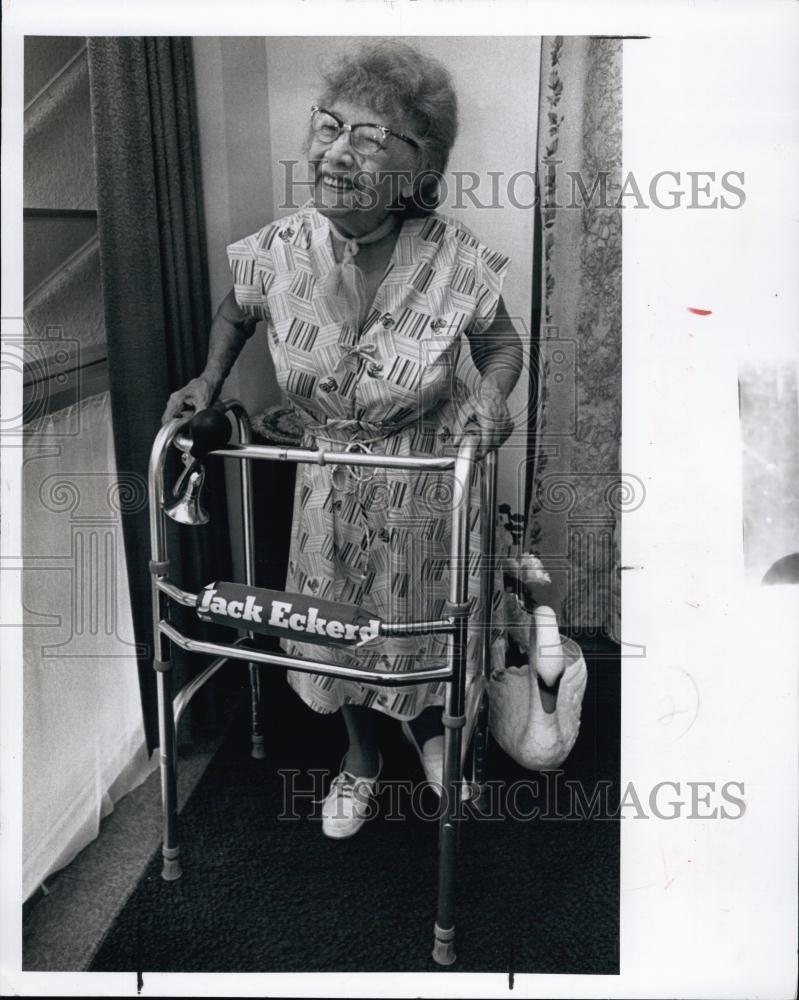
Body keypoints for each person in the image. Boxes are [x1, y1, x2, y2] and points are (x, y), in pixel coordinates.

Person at [162, 40, 531, 839]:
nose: (334, 151)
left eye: (367, 137)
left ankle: (431, 733)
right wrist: (208, 381)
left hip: (427, 482)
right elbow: (236, 311)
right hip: (325, 480)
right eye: (328, 126)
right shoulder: (278, 248)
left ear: (417, 165)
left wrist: (492, 398)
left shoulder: (457, 258)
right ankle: (360, 757)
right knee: (334, 632)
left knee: (423, 627)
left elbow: (502, 346)